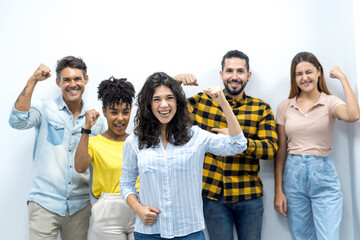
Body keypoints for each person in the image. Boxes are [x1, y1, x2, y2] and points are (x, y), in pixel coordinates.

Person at [120, 72, 248, 240]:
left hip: (189, 232)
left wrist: (223, 102)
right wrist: (138, 209)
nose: (164, 105)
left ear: (178, 102)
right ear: (148, 104)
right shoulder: (134, 141)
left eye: (169, 98)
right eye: (156, 99)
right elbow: (126, 183)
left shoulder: (195, 136)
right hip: (149, 232)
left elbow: (237, 144)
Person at [174, 50, 278, 240]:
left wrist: (238, 138)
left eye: (240, 71)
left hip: (249, 195)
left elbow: (271, 149)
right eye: (229, 71)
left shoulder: (261, 108)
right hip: (214, 197)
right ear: (221, 74)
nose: (234, 76)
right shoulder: (201, 102)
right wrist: (175, 82)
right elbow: (166, 110)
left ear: (248, 75)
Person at [8, 56, 105, 240]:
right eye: (67, 80)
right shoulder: (45, 108)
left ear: (86, 80)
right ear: (58, 82)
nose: (72, 84)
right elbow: (17, 121)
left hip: (79, 208)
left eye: (77, 78)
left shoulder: (95, 122)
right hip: (44, 204)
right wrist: (33, 80)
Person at [274, 52, 360, 240]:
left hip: (323, 176)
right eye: (299, 74)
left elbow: (353, 115)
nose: (304, 78)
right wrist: (278, 190)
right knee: (301, 237)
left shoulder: (329, 102)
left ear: (319, 72)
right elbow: (281, 151)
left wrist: (343, 78)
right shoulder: (285, 107)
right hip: (292, 177)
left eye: (309, 72)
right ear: (294, 78)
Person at [75, 77, 139, 240]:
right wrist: (87, 128)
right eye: (114, 112)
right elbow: (80, 167)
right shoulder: (94, 142)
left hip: (139, 206)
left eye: (125, 112)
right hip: (108, 210)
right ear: (104, 111)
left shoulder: (137, 141)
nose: (120, 118)